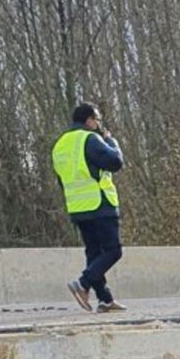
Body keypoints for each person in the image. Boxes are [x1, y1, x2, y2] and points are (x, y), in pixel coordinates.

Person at [51, 103, 126, 313]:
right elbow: (116, 162)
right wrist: (111, 141)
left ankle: (105, 300)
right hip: (99, 203)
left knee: (94, 252)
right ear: (89, 120)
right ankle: (83, 284)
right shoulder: (89, 139)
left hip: (77, 206)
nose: (98, 124)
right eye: (97, 120)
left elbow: (62, 179)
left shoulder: (60, 145)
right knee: (113, 251)